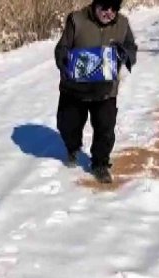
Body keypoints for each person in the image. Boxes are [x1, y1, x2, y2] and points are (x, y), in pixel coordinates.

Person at [54, 0, 137, 184]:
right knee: (67, 125)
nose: (109, 12)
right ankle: (72, 147)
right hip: (74, 88)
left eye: (114, 9)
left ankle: (100, 164)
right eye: (105, 7)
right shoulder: (76, 20)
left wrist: (124, 54)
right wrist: (64, 61)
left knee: (105, 129)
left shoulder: (122, 24)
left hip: (105, 90)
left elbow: (131, 49)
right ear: (95, 4)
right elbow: (62, 48)